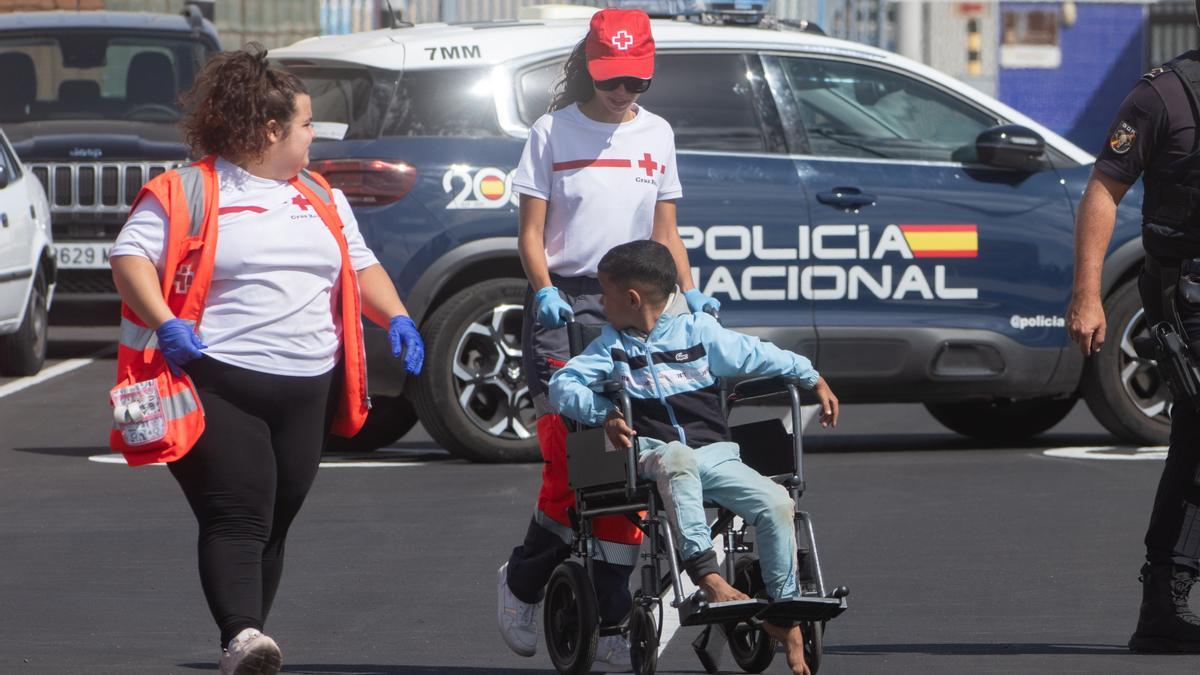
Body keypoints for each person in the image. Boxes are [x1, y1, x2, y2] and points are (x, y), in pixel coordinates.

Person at [109, 45, 424, 675]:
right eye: (307, 124)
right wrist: (166, 322)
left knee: (277, 517)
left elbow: (359, 265)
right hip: (215, 381)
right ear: (270, 130)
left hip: (308, 385)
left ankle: (251, 643)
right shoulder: (189, 190)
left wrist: (399, 317)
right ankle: (241, 636)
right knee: (238, 509)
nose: (316, 135)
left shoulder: (319, 193)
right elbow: (130, 259)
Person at [495, 7, 721, 668]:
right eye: (613, 80)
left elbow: (666, 233)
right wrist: (542, 290)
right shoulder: (551, 131)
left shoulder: (657, 134)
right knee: (576, 459)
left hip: (637, 302)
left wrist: (688, 294)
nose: (624, 94)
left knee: (631, 458)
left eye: (636, 83)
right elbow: (531, 232)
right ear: (591, 65)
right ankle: (523, 579)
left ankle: (616, 617)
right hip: (565, 302)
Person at [549, 239, 838, 675]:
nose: (601, 305)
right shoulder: (611, 347)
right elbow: (563, 385)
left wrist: (811, 375)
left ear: (631, 299)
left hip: (716, 456)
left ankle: (783, 612)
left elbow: (758, 352)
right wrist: (604, 413)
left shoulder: (700, 334)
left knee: (778, 501)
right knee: (678, 456)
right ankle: (707, 576)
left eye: (605, 296)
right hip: (649, 454)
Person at [1065, 33, 1200, 652]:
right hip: (1187, 296)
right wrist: (1088, 294)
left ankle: (1162, 606)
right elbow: (1104, 189)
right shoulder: (1163, 95)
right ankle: (1162, 604)